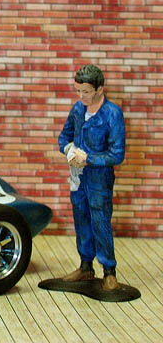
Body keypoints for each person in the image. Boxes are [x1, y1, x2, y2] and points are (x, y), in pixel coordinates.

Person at [58, 64, 125, 291]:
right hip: (78, 178)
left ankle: (109, 271)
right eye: (77, 91)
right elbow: (63, 138)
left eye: (85, 91)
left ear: (99, 89)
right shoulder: (78, 110)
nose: (81, 96)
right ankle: (86, 266)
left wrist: (88, 159)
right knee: (81, 219)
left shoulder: (112, 114)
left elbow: (117, 154)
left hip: (99, 179)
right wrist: (70, 151)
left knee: (100, 221)